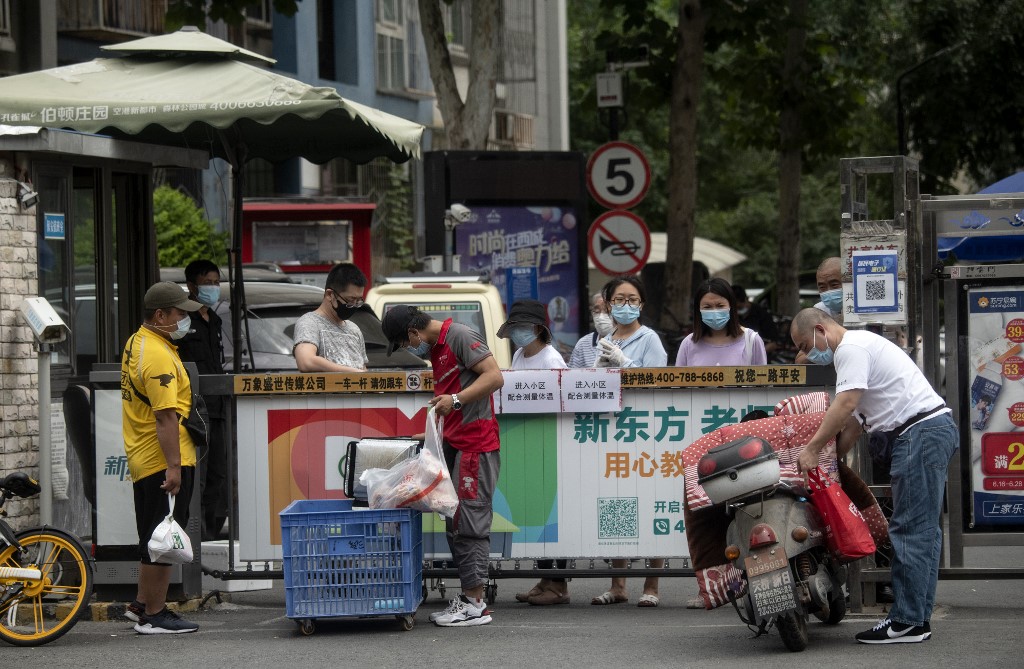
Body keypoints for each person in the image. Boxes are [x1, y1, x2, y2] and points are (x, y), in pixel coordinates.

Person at [791, 307, 956, 644]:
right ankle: (916, 619)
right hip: (927, 432)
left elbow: (846, 404)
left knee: (910, 530)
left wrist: (811, 449)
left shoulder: (850, 349)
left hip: (919, 434)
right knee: (922, 531)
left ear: (821, 329)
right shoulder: (860, 348)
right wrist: (832, 458)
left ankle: (907, 621)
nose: (806, 354)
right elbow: (854, 423)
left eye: (806, 345)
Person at [382, 305, 505, 627]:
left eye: (406, 343)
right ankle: (468, 599)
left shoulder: (460, 336)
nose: (411, 349)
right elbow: (453, 402)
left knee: (469, 525)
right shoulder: (438, 349)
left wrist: (458, 400)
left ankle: (476, 605)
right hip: (456, 443)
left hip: (474, 446)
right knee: (455, 521)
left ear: (413, 332)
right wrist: (431, 434)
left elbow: (494, 376)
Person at [120, 281, 203, 634]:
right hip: (162, 458)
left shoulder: (139, 341)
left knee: (155, 535)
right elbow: (165, 417)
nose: (184, 318)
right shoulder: (155, 354)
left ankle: (141, 604)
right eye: (179, 313)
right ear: (160, 315)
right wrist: (173, 466)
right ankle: (154, 614)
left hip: (146, 456)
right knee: (165, 539)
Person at [589, 275, 669, 608]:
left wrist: (626, 364)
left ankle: (652, 585)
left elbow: (660, 380)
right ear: (607, 303)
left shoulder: (649, 338)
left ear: (642, 304)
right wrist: (599, 368)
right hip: (613, 431)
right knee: (617, 502)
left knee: (651, 501)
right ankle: (618, 584)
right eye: (619, 299)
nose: (625, 305)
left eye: (632, 299)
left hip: (647, 431)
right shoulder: (603, 338)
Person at [498, 300, 570, 606]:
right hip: (526, 441)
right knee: (538, 510)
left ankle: (559, 585)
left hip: (548, 442)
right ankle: (545, 580)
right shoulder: (518, 355)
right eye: (513, 327)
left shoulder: (552, 359)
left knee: (552, 513)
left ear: (538, 329)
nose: (517, 333)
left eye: (522, 327)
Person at [176, 259, 228, 541]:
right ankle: (193, 535)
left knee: (219, 474)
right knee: (200, 471)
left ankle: (211, 533)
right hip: (194, 409)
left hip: (218, 407)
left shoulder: (215, 320)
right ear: (192, 286)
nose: (213, 288)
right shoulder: (183, 320)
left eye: (216, 282)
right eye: (208, 283)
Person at [292, 262, 369, 372]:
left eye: (358, 300)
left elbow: (363, 370)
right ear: (330, 295)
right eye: (351, 300)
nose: (354, 305)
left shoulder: (354, 330)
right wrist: (352, 373)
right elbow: (306, 362)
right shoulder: (310, 323)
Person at [675, 278, 767, 367]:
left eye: (720, 306)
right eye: (707, 307)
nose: (714, 311)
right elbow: (678, 381)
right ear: (698, 310)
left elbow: (763, 380)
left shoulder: (751, 340)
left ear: (731, 306)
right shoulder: (688, 344)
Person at [732, 285, 779, 360]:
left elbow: (773, 343)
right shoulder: (730, 317)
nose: (737, 311)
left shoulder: (762, 314)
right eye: (734, 308)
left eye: (739, 308)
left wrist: (755, 353)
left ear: (746, 300)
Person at [569, 291, 614, 368]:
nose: (601, 317)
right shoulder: (583, 344)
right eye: (597, 311)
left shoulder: (629, 342)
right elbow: (571, 376)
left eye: (607, 311)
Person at [814, 256, 844, 320]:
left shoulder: (863, 307)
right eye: (822, 287)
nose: (829, 291)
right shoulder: (819, 311)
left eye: (834, 285)